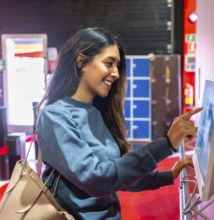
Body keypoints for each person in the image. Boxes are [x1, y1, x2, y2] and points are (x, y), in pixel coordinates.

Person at [36, 27, 203, 219]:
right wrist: (166, 144)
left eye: (117, 65)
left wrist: (166, 176)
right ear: (81, 61)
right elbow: (96, 179)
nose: (115, 73)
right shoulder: (55, 116)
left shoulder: (100, 111)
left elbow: (117, 175)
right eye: (109, 63)